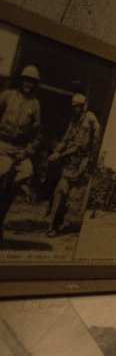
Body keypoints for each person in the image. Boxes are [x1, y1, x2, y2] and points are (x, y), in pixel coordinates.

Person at [47, 93, 101, 236]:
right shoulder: (73, 121)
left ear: (83, 106)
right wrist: (56, 152)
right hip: (70, 162)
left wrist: (92, 153)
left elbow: (95, 133)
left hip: (82, 162)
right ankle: (53, 226)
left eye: (79, 107)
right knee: (61, 191)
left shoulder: (89, 117)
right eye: (74, 107)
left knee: (70, 195)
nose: (76, 109)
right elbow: (65, 140)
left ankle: (58, 223)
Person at [0, 65, 42, 242]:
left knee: (27, 172)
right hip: (2, 144)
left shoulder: (35, 104)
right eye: (26, 80)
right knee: (3, 170)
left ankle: (5, 200)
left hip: (20, 150)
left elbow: (38, 134)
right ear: (20, 80)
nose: (28, 84)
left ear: (35, 84)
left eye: (32, 81)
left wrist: (26, 152)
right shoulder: (7, 95)